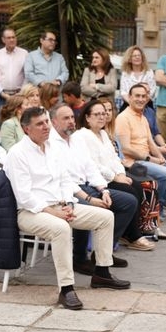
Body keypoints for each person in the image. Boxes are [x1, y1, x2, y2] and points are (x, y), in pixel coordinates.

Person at [4, 106, 130, 310]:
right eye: (39, 124)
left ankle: (102, 273)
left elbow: (65, 180)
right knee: (61, 228)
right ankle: (66, 289)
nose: (45, 127)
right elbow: (25, 196)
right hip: (31, 212)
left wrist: (67, 203)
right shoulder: (17, 153)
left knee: (105, 217)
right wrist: (54, 212)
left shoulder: (53, 147)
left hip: (60, 205)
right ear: (27, 129)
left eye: (46, 122)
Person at [49, 104, 143, 274]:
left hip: (87, 186)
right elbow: (63, 179)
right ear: (54, 122)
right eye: (65, 118)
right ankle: (79, 258)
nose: (71, 121)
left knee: (129, 202)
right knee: (90, 208)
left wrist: (104, 190)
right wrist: (91, 198)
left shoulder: (76, 140)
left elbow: (90, 167)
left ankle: (102, 252)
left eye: (72, 117)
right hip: (66, 192)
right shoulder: (51, 144)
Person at [73, 100, 155, 251]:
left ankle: (129, 233)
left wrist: (121, 174)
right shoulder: (81, 136)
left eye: (104, 114)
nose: (102, 117)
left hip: (110, 177)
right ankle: (128, 236)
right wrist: (114, 177)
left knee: (136, 185)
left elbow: (115, 158)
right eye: (97, 114)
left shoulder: (104, 134)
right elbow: (91, 164)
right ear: (87, 117)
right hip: (94, 181)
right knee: (130, 193)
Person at [117, 83, 166, 216]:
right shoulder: (123, 118)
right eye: (137, 96)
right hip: (134, 162)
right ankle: (154, 208)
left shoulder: (143, 117)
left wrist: (160, 157)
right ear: (130, 98)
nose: (141, 99)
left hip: (147, 158)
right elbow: (125, 149)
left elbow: (150, 142)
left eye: (144, 96)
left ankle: (158, 202)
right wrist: (151, 158)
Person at [0, 27, 28, 108]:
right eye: (9, 38)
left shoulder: (24, 54)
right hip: (2, 96)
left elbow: (27, 75)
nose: (12, 40)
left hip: (20, 95)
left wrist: (21, 92)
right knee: (2, 119)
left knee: (19, 119)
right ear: (3, 40)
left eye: (13, 37)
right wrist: (2, 94)